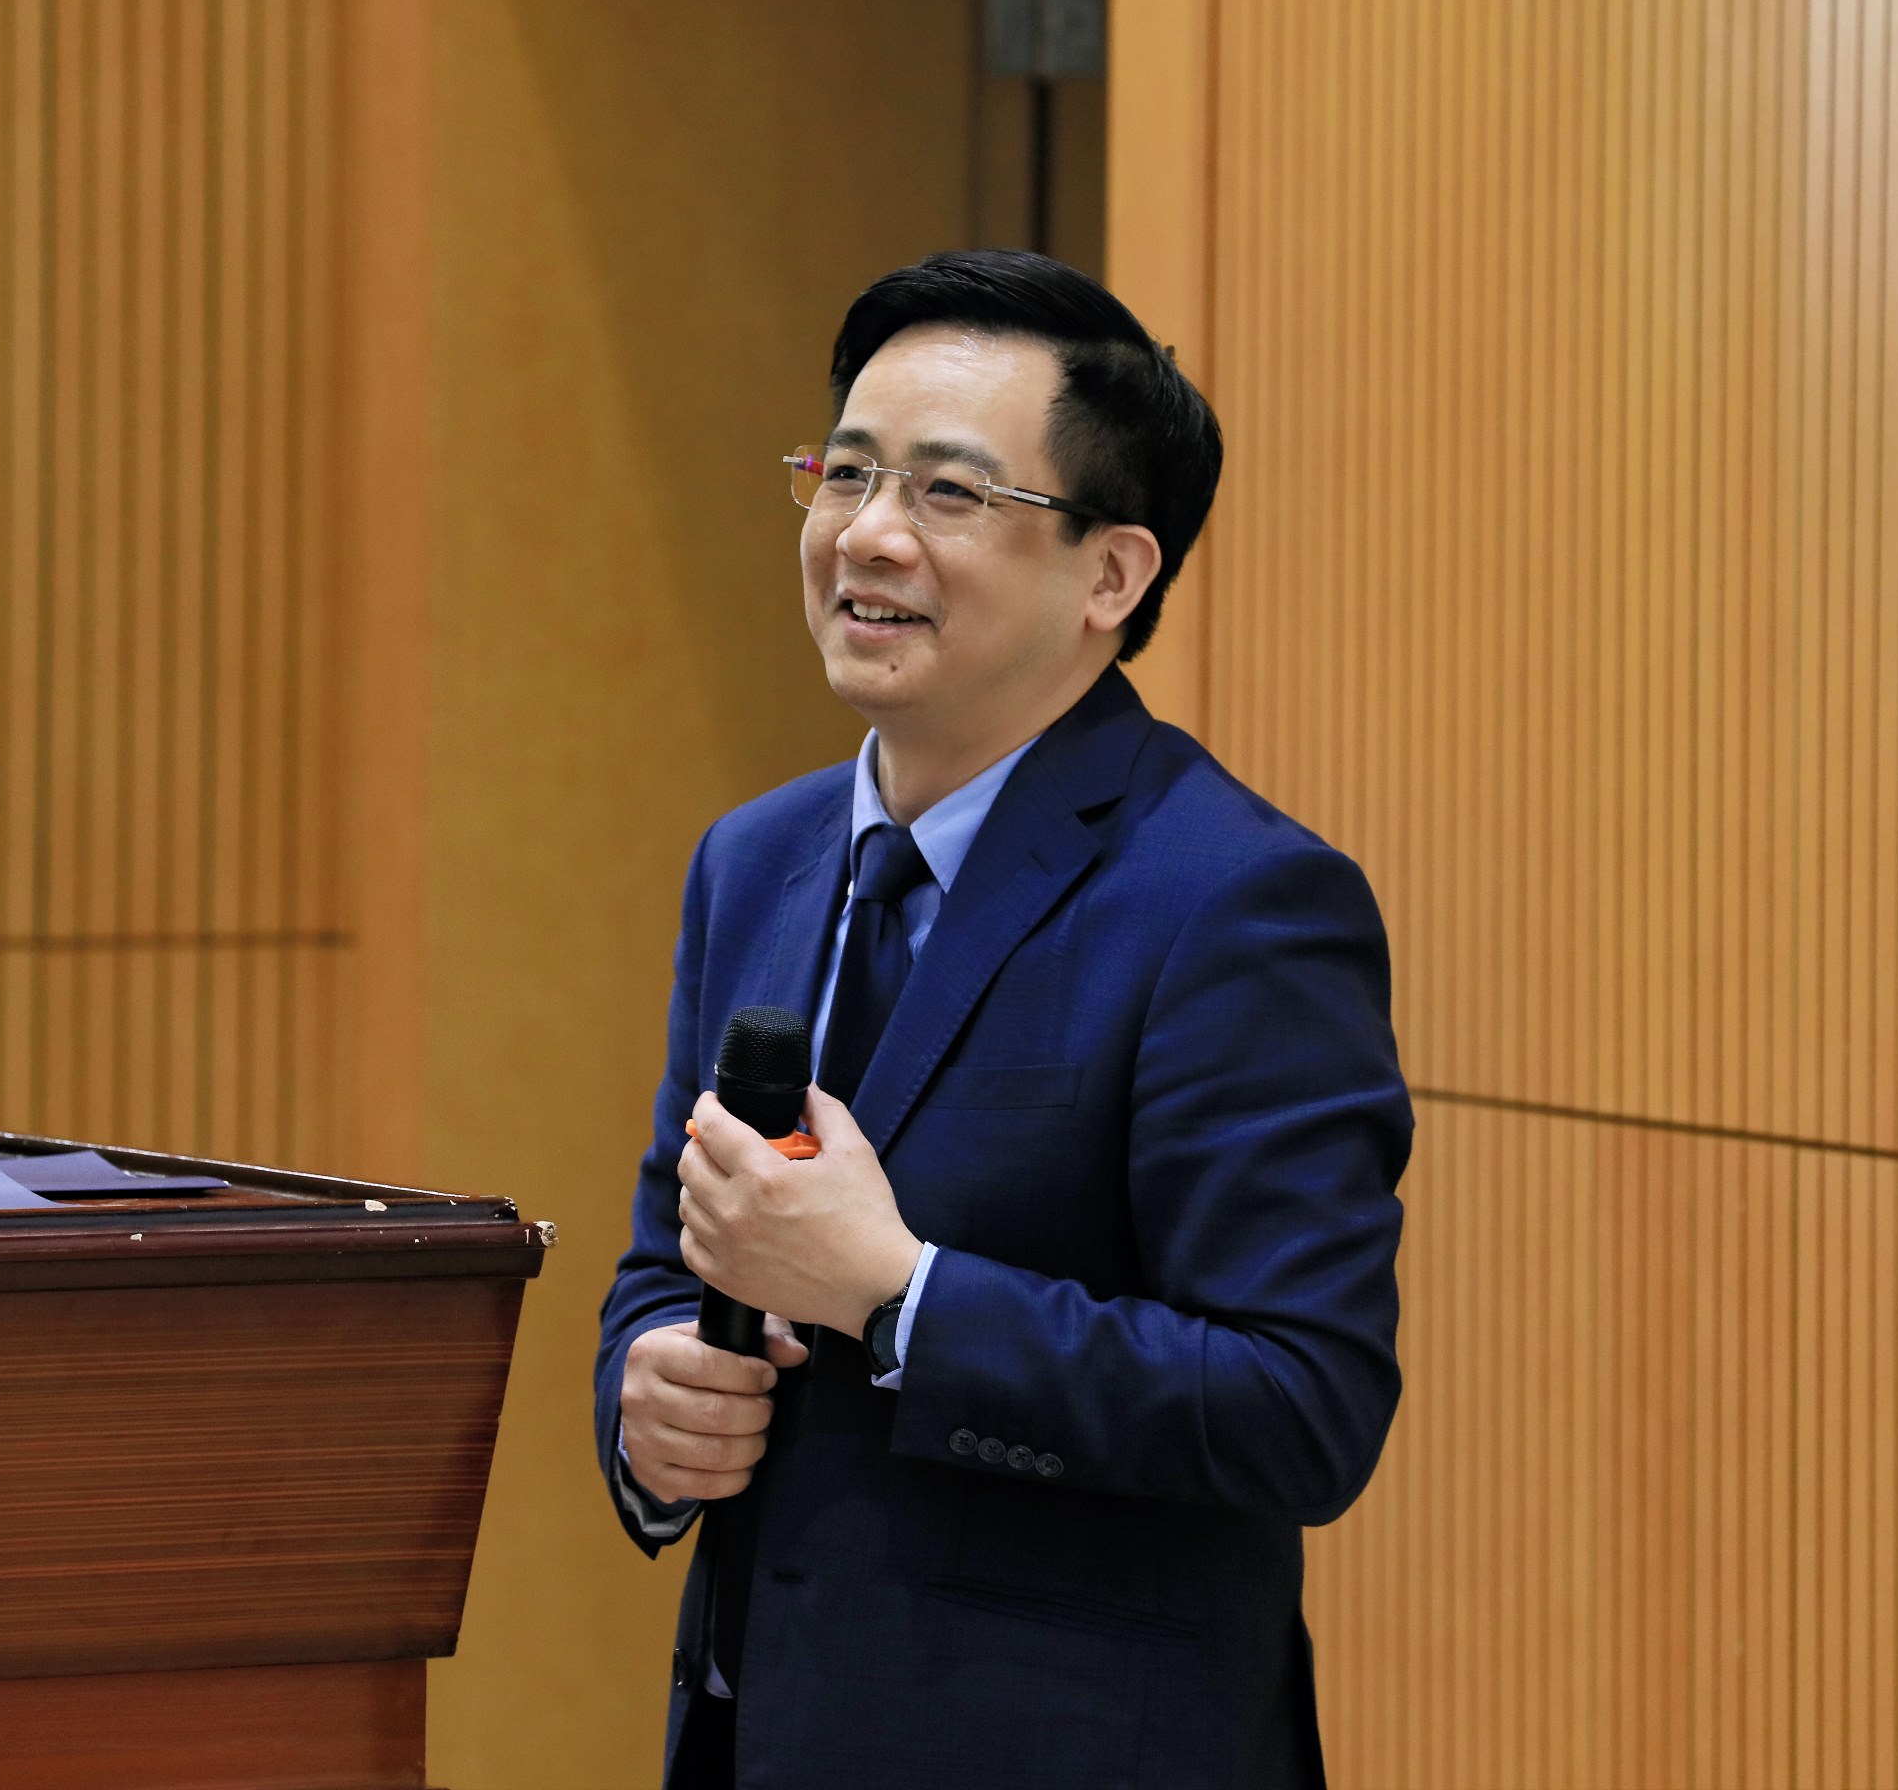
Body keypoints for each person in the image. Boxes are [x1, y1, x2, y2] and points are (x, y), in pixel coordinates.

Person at [592, 250, 1412, 1790]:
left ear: (1113, 575)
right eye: (845, 473)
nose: (866, 533)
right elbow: (676, 1251)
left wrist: (899, 1295)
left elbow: (1302, 1406)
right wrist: (649, 1392)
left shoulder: (1236, 902)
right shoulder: (754, 860)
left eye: (951, 492)